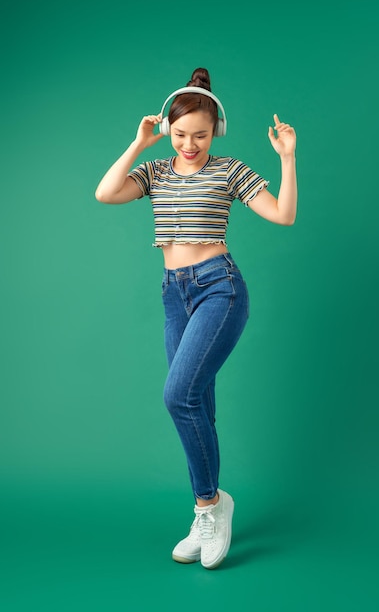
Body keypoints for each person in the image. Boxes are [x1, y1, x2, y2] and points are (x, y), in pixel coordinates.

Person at [95, 67, 297, 569]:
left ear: (216, 132)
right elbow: (105, 192)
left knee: (177, 395)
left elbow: (283, 214)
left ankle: (210, 505)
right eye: (180, 134)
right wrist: (139, 143)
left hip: (218, 288)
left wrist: (287, 160)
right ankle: (206, 509)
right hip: (173, 294)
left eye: (200, 135)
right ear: (168, 130)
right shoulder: (157, 171)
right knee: (197, 405)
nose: (190, 144)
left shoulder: (229, 170)